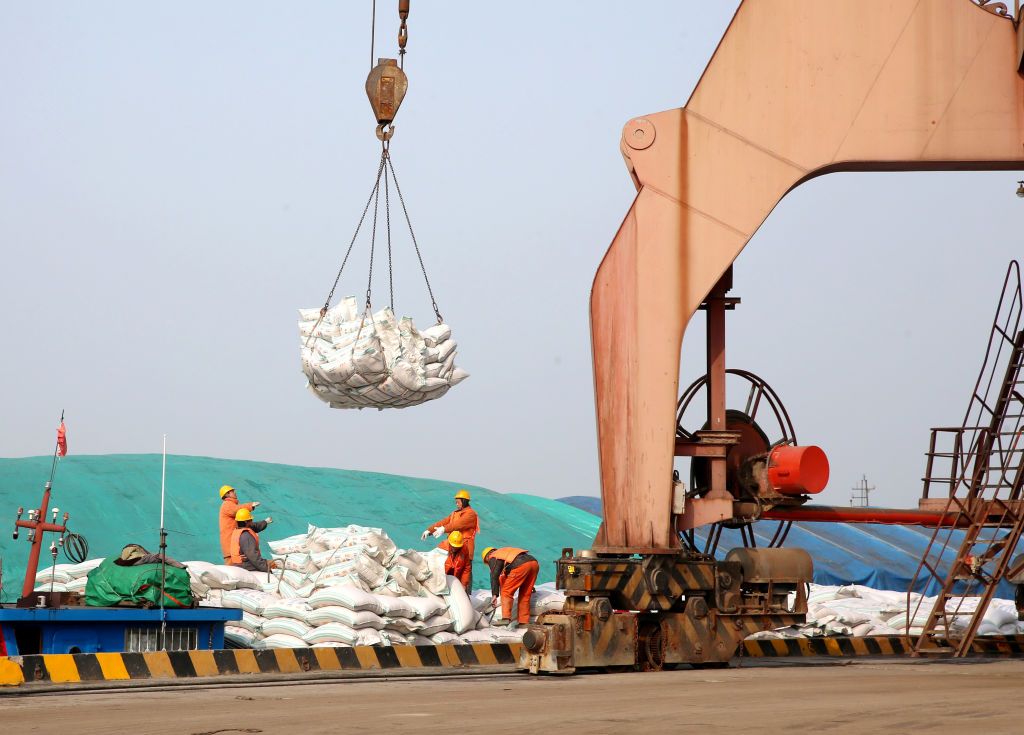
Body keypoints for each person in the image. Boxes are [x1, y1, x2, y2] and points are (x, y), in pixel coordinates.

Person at [482, 546, 539, 628]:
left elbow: (494, 575)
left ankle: (505, 618)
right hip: (533, 563)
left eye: (487, 562)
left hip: (520, 565)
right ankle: (524, 622)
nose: (489, 563)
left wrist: (495, 594)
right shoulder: (504, 553)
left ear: (487, 556)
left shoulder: (493, 556)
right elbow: (506, 576)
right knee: (525, 595)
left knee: (506, 592)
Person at [218, 485, 271, 563]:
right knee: (232, 570)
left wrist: (265, 522)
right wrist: (250, 505)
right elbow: (236, 510)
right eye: (232, 491)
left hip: (234, 547)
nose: (235, 492)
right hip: (231, 548)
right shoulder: (227, 505)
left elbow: (251, 526)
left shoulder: (237, 517)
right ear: (227, 494)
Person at [228, 508, 279, 574]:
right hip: (246, 565)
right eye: (251, 520)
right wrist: (267, 568)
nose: (252, 521)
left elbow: (255, 526)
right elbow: (254, 558)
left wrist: (265, 522)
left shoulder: (237, 531)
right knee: (275, 563)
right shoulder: (246, 536)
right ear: (246, 522)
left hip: (238, 564)